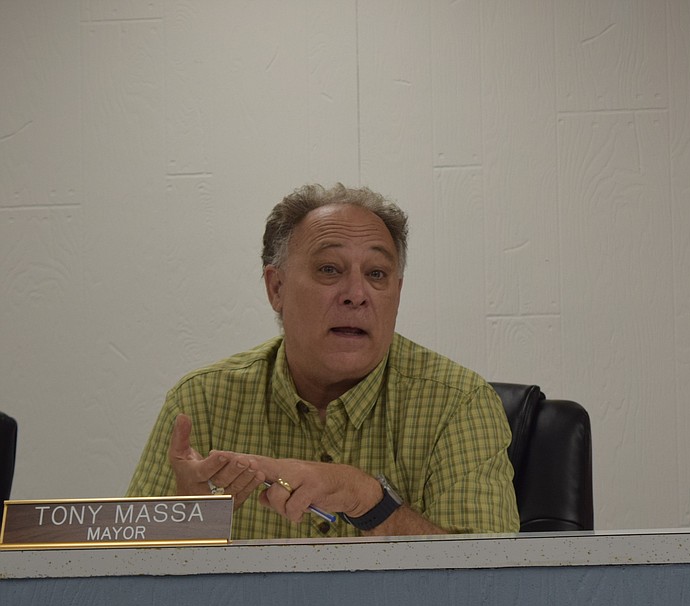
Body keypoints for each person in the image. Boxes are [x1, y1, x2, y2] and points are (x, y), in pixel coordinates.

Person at [128, 183, 520, 538]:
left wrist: (369, 500)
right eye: (329, 269)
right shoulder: (201, 402)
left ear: (396, 294)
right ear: (276, 288)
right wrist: (182, 527)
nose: (356, 294)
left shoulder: (458, 404)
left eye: (377, 274)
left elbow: (493, 593)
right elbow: (122, 587)